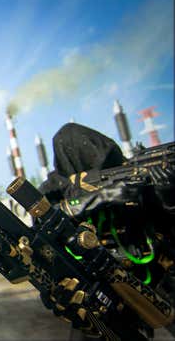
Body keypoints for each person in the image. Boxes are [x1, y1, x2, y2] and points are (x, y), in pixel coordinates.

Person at [38, 123, 175, 339]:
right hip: (98, 291)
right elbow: (45, 224)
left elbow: (162, 225)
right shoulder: (54, 189)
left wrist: (165, 196)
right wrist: (103, 196)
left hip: (151, 276)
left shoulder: (126, 171)